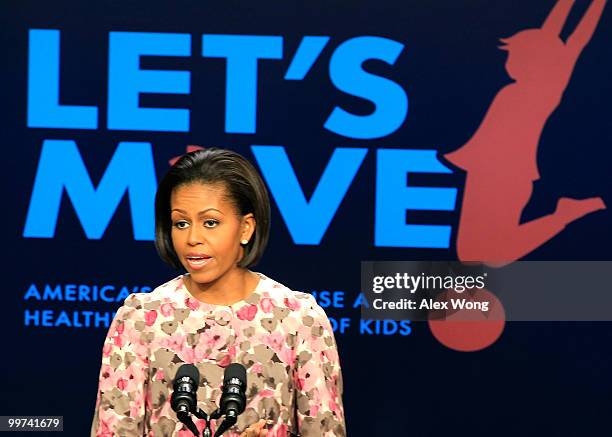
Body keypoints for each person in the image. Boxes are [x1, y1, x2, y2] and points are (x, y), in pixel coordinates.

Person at [90, 148, 346, 436]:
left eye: (210, 223)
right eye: (181, 223)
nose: (193, 238)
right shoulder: (140, 320)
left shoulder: (298, 319)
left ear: (246, 228)